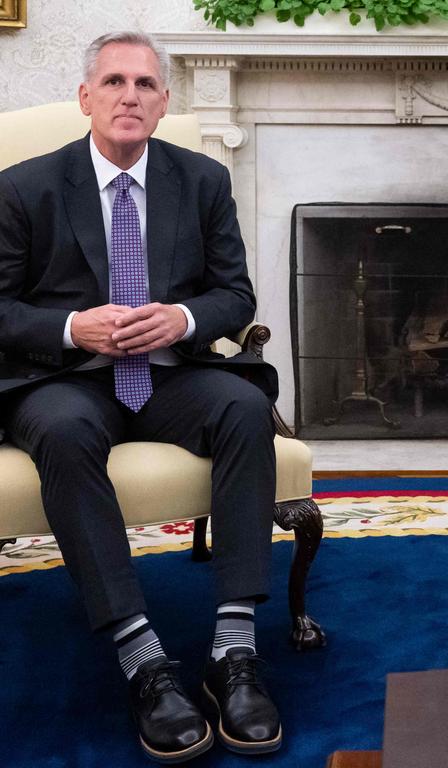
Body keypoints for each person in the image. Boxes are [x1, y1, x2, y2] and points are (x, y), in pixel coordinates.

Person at [0, 32, 282, 762]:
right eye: (116, 82)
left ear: (164, 103)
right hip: (66, 379)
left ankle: (233, 649)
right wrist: (71, 327)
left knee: (245, 407)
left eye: (147, 85)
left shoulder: (202, 181)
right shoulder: (24, 186)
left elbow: (234, 294)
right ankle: (144, 659)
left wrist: (182, 317)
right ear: (86, 97)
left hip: (169, 373)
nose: (131, 96)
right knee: (60, 430)